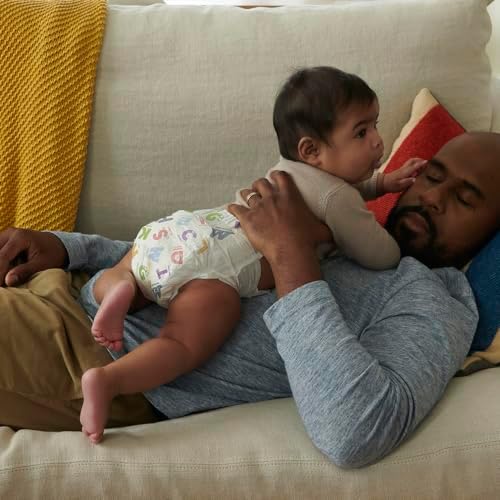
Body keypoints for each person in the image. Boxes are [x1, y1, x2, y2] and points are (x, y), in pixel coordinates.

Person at [0, 131, 499, 468]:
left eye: (465, 198)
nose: (432, 197)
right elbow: (191, 259)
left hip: (102, 361)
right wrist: (69, 248)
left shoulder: (432, 299)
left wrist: (289, 254)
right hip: (70, 287)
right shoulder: (347, 227)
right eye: (433, 176)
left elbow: (356, 431)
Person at [75, 67, 423, 443]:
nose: (377, 142)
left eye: (375, 125)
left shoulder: (288, 171)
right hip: (214, 270)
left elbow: (336, 189)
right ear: (311, 150)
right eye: (361, 132)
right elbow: (379, 254)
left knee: (130, 266)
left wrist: (381, 183)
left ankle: (121, 288)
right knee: (182, 343)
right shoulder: (338, 199)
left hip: (179, 232)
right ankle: (110, 381)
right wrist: (391, 241)